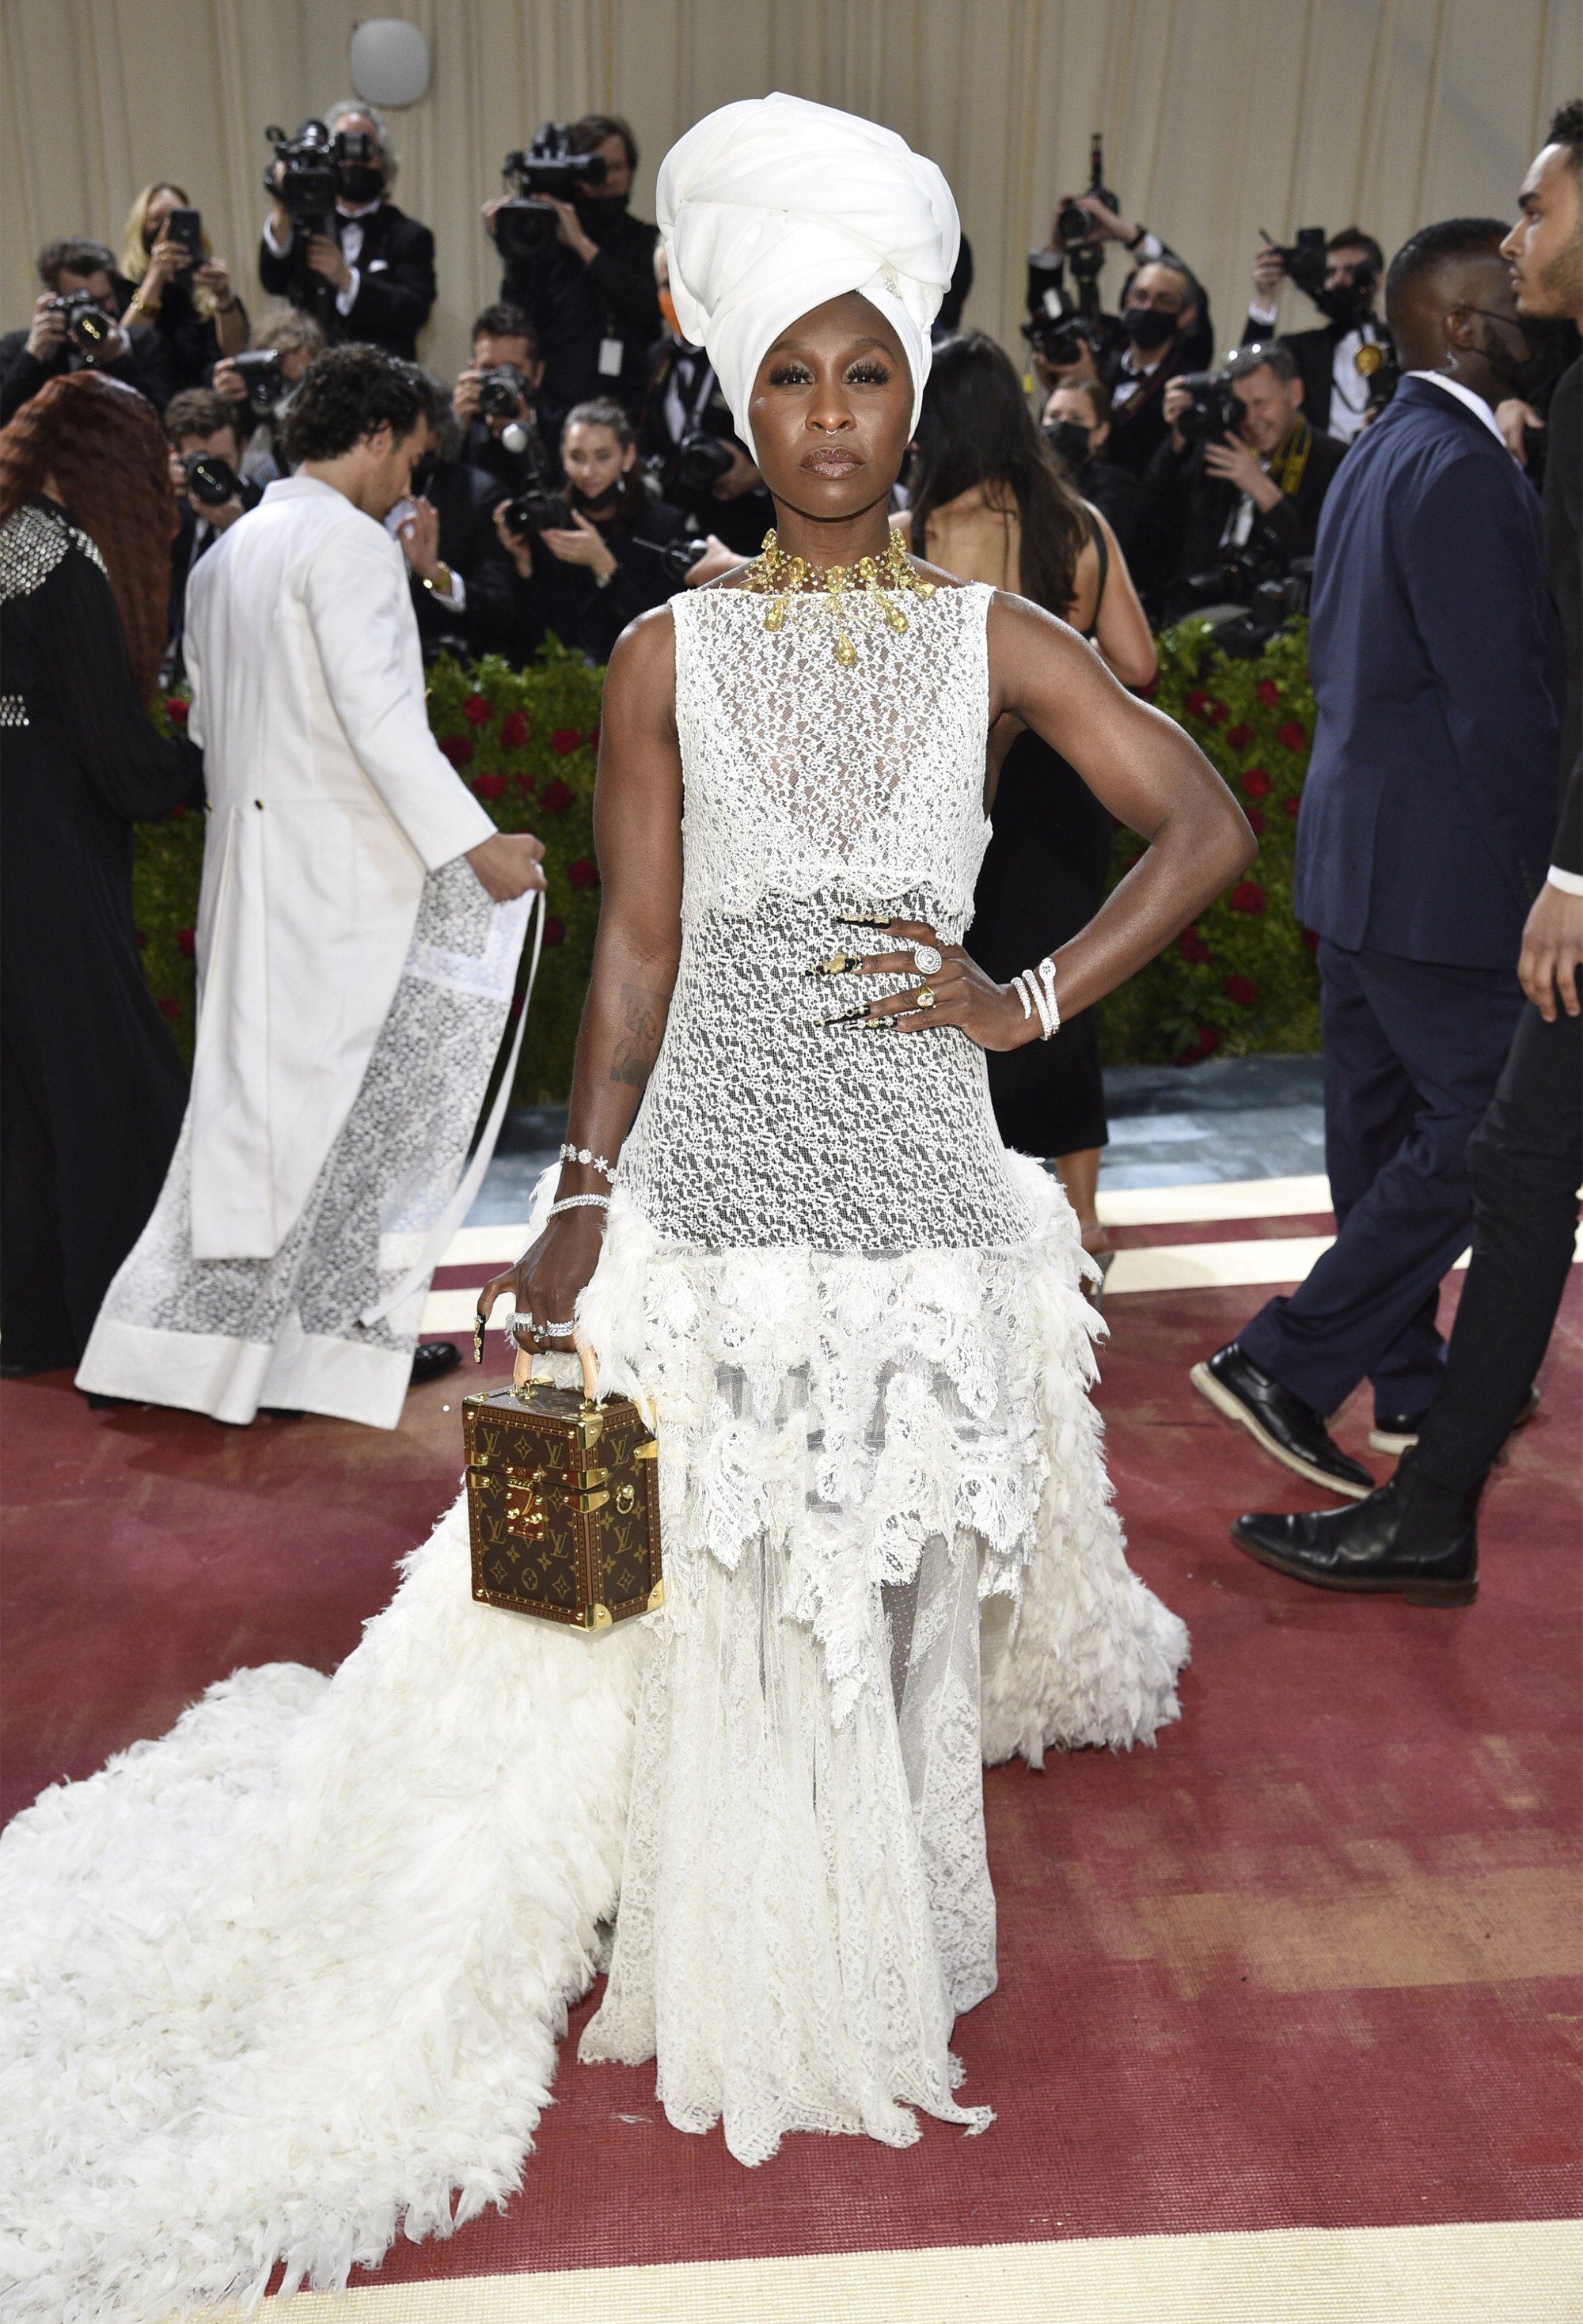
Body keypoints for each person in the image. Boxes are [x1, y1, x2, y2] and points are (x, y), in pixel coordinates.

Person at [0, 96, 1254, 2313]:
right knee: (701, 1576)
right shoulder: (670, 651)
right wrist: (577, 1185)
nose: (835, 417)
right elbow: (646, 949)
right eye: (792, 373)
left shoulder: (984, 642)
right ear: (733, 395)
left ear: (910, 393)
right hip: (705, 1182)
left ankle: (868, 1927)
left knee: (866, 1582)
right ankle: (733, 1929)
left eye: (869, 374)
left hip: (910, 1183)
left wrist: (1026, 993)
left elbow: (1202, 818)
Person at [1229, 104, 1583, 1603]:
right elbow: (1505, 709)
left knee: (1382, 1136)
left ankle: (1411, 1375)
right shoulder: (1467, 472)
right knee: (1479, 1142)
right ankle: (1300, 1353)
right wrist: (1544, 878)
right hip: (1447, 873)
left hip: (1361, 858)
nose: (1523, 276)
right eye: (1502, 286)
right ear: (1462, 325)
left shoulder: (1384, 449)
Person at [76, 347, 545, 1427]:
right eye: (413, 461)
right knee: (311, 1127)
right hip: (336, 888)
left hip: (249, 880)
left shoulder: (226, 551)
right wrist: (477, 847)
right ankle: (194, 1350)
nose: (412, 488)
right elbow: (383, 725)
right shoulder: (346, 545)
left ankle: (310, 1350)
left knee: (268, 1131)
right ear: (376, 434)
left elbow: (203, 725)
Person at [904, 330, 1157, 1283]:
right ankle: (1083, 1218)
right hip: (1064, 784)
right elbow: (1136, 665)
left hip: (954, 787)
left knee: (954, 980)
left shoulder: (913, 533)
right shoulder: (1076, 524)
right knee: (1061, 988)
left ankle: (964, 1198)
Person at [0, 373, 204, 1376]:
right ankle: (126, 1328)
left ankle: (36, 1326)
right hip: (46, 865)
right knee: (107, 1091)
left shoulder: (6, 539)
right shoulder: (59, 557)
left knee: (25, 1109)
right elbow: (122, 767)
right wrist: (210, 758)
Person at [1144, 341, 1346, 619]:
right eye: (1241, 406)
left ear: (1295, 393)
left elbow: (1320, 562)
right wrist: (1179, 440)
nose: (1250, 419)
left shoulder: (1334, 461)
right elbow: (1156, 518)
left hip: (1272, 621)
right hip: (1193, 606)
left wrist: (1262, 490)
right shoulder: (1221, 444)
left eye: (1261, 404)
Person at [485, 112, 660, 427]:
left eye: (617, 167)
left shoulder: (646, 241)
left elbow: (649, 308)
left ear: (632, 171)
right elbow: (516, 314)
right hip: (555, 404)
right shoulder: (547, 239)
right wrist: (513, 248)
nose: (607, 178)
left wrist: (581, 243)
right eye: (596, 167)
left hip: (629, 403)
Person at [495, 396, 692, 665]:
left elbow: (667, 636)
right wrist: (524, 565)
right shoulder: (547, 521)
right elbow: (531, 635)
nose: (588, 472)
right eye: (577, 457)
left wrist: (605, 567)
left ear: (627, 456)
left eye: (602, 457)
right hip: (562, 685)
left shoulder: (663, 526)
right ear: (563, 457)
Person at [258, 100, 435, 361]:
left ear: (385, 167)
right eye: (343, 148)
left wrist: (347, 279)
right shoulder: (306, 226)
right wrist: (282, 208)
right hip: (313, 375)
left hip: (382, 377)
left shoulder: (409, 235)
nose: (353, 161)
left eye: (364, 150)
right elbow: (274, 281)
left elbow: (414, 311)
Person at [640, 241, 773, 555]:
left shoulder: (748, 351)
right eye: (665, 285)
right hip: (674, 529)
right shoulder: (655, 358)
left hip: (743, 528)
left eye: (685, 285)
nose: (676, 296)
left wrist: (758, 475)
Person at [389, 375, 516, 661]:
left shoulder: (479, 495)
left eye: (409, 424)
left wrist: (436, 575)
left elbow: (499, 609)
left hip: (452, 667)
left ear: (438, 432)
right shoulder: (359, 494)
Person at [0, 237, 175, 423]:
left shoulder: (143, 343)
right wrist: (33, 356)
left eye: (103, 300)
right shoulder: (17, 348)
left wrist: (116, 359)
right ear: (53, 298)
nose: (94, 312)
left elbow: (160, 424)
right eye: (81, 301)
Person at [1243, 228, 1388, 445]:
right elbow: (1250, 376)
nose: (1339, 280)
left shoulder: (1401, 343)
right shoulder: (1301, 348)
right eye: (1330, 273)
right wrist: (1265, 296)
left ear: (1377, 281)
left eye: (1350, 271)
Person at [162, 386, 258, 681]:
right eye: (202, 464)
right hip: (174, 668)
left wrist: (239, 529)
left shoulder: (265, 508)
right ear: (176, 455)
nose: (214, 475)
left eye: (223, 461)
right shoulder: (164, 506)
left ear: (242, 446)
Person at [119, 181, 249, 391]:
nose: (167, 228)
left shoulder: (208, 285)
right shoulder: (124, 289)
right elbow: (124, 349)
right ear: (140, 227)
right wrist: (155, 279)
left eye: (176, 217)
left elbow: (236, 353)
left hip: (207, 407)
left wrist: (223, 297)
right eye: (157, 219)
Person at [1100, 257, 1205, 476]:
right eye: (1141, 296)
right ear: (1128, 302)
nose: (1148, 308)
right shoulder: (1099, 365)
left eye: (1164, 300)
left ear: (1186, 316)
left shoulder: (1188, 386)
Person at [450, 301, 556, 491]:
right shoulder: (460, 417)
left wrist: (528, 441)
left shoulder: (558, 426)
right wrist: (453, 433)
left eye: (511, 371)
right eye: (489, 370)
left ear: (537, 373)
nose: (500, 383)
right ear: (473, 370)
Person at [213, 303, 325, 484]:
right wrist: (227, 403)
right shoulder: (249, 395)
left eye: (295, 350)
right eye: (280, 355)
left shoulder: (328, 396)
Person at [1042, 375, 1143, 553]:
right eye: (1054, 416)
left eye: (1077, 419)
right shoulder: (1024, 477)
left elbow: (1089, 543)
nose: (1063, 425)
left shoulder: (1118, 486)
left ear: (1101, 432)